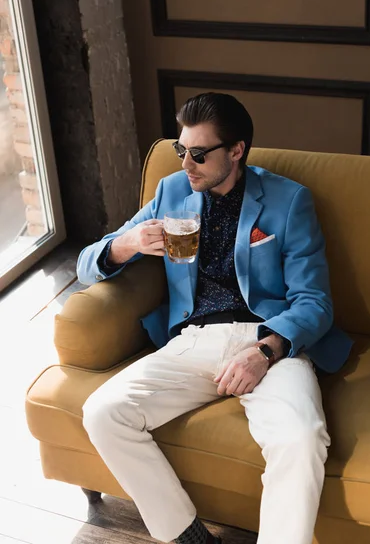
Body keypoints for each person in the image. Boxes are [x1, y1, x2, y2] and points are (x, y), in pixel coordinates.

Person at [78, 93, 353, 544]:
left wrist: (264, 352)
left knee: (301, 438)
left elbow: (314, 301)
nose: (188, 164)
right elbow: (86, 264)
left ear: (237, 150)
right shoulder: (171, 192)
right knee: (103, 412)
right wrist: (125, 245)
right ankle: (190, 538)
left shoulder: (289, 201)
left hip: (271, 341)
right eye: (181, 150)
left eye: (200, 154)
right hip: (195, 338)